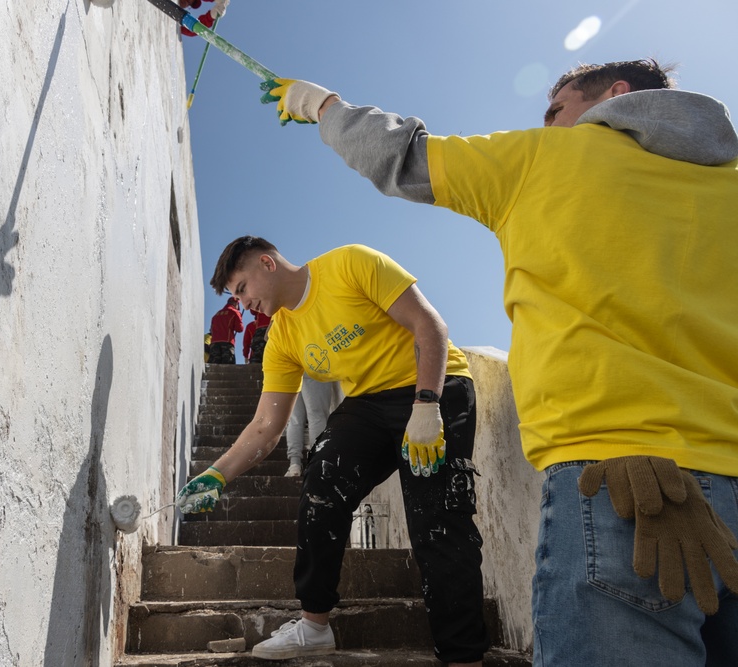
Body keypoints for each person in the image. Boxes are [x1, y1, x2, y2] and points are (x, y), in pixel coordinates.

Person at [260, 59, 738, 665]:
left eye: (557, 109)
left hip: (620, 488)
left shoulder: (547, 157)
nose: (548, 122)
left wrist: (319, 104)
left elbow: (403, 156)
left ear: (614, 98)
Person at [176, 237, 489, 665]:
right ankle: (314, 626)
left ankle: (462, 656)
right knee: (321, 480)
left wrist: (427, 404)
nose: (243, 302)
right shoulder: (282, 336)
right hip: (369, 403)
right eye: (235, 296)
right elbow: (267, 426)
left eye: (242, 288)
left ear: (267, 263)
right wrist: (217, 474)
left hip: (433, 384)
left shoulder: (350, 264)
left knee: (436, 519)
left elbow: (428, 325)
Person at [284, 373, 342, 477]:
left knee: (294, 420)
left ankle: (294, 464)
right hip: (314, 368)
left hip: (291, 370)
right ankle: (316, 462)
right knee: (317, 416)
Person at [208, 296, 244, 364]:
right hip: (227, 343)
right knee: (228, 367)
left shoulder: (216, 315)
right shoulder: (235, 312)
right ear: (235, 303)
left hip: (214, 344)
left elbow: (212, 330)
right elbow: (240, 328)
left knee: (214, 366)